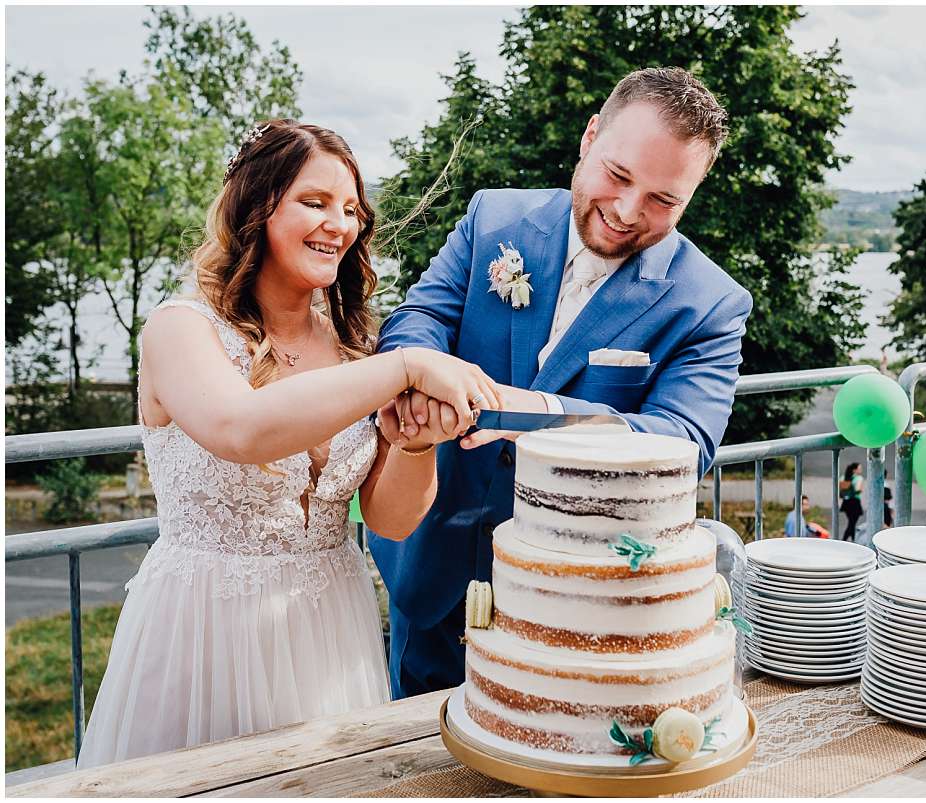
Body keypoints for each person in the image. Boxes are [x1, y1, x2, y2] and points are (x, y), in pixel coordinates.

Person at [76, 121, 500, 768]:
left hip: (329, 624)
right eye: (315, 201)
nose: (340, 223)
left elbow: (389, 517)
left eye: (352, 209)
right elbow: (242, 428)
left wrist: (418, 444)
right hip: (204, 628)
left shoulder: (356, 345)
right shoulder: (179, 328)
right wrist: (407, 366)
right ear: (259, 202)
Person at [367, 67, 753, 698]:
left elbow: (684, 441)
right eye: (619, 176)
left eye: (664, 200)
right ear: (590, 136)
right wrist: (420, 378)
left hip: (581, 605)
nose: (628, 212)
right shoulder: (494, 218)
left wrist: (526, 410)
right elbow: (420, 317)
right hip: (431, 563)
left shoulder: (710, 304)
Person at [838, 462, 864, 541]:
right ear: (854, 470)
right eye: (859, 468)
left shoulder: (842, 477)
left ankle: (853, 539)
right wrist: (860, 490)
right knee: (852, 523)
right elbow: (858, 489)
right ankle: (844, 540)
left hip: (846, 503)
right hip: (855, 503)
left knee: (851, 522)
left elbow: (841, 490)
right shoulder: (859, 478)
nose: (861, 470)